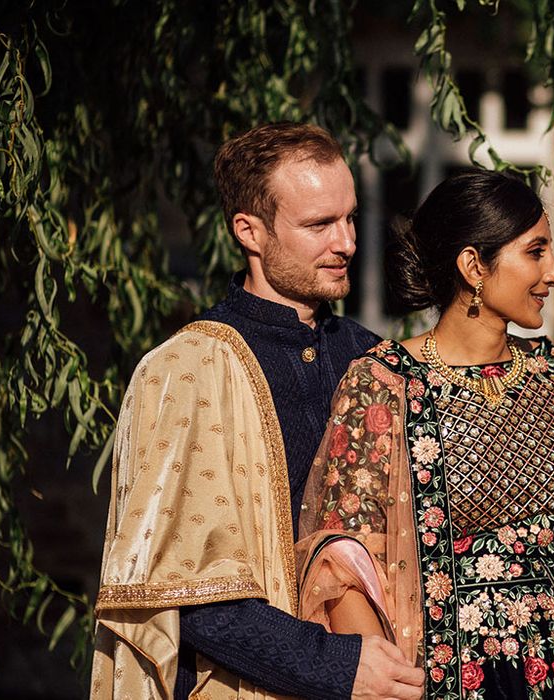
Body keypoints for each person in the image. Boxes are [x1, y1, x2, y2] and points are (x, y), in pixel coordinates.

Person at [90, 122, 425, 700]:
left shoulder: (374, 358)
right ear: (250, 230)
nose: (346, 242)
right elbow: (177, 591)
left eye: (349, 217)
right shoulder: (184, 370)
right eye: (319, 225)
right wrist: (337, 666)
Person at [296, 169, 554, 698]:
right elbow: (341, 558)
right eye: (536, 252)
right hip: (448, 675)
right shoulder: (385, 384)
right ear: (474, 265)